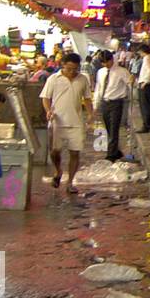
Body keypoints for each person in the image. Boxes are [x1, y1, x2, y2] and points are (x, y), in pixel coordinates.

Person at [40, 54, 93, 194]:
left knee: (75, 152)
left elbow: (87, 98)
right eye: (69, 68)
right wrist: (48, 111)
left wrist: (90, 114)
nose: (72, 72)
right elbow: (45, 98)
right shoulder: (53, 79)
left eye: (75, 69)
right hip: (57, 120)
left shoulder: (83, 79)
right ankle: (58, 171)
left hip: (76, 121)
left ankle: (70, 182)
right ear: (63, 65)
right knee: (55, 151)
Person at [93, 50, 134, 163]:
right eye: (103, 63)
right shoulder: (100, 72)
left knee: (114, 127)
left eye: (107, 62)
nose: (106, 65)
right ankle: (116, 151)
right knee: (108, 129)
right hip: (105, 102)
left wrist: (132, 83)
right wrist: (95, 105)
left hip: (117, 102)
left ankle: (110, 155)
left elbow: (130, 84)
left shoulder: (122, 71)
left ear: (112, 60)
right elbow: (98, 88)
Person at [136, 44, 150, 132]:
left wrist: (145, 82)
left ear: (142, 51)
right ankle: (148, 125)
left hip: (145, 85)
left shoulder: (147, 59)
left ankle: (146, 125)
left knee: (144, 106)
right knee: (148, 106)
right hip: (149, 85)